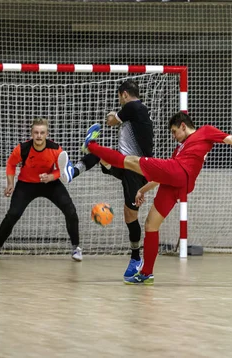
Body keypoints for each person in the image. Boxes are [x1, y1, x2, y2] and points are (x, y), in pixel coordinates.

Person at [82, 111, 232, 284]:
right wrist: (142, 190)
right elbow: (162, 176)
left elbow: (230, 139)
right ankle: (146, 274)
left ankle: (91, 146)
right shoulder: (179, 150)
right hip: (176, 184)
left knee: (132, 161)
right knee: (150, 225)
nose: (174, 136)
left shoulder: (205, 131)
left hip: (179, 172)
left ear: (183, 126)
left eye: (174, 132)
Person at [66, 80, 153, 280]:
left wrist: (112, 115)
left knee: (130, 215)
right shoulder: (137, 111)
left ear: (123, 94)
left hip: (135, 167)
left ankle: (136, 257)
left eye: (119, 97)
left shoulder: (133, 106)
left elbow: (111, 121)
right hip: (125, 163)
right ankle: (73, 170)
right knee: (98, 153)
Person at [0, 119, 82, 261]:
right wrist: (10, 183)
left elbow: (63, 170)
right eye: (36, 132)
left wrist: (51, 177)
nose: (39, 135)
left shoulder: (56, 149)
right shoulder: (22, 148)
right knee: (13, 214)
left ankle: (76, 249)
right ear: (31, 134)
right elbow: (11, 164)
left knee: (71, 211)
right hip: (26, 185)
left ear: (47, 134)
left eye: (42, 133)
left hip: (50, 183)